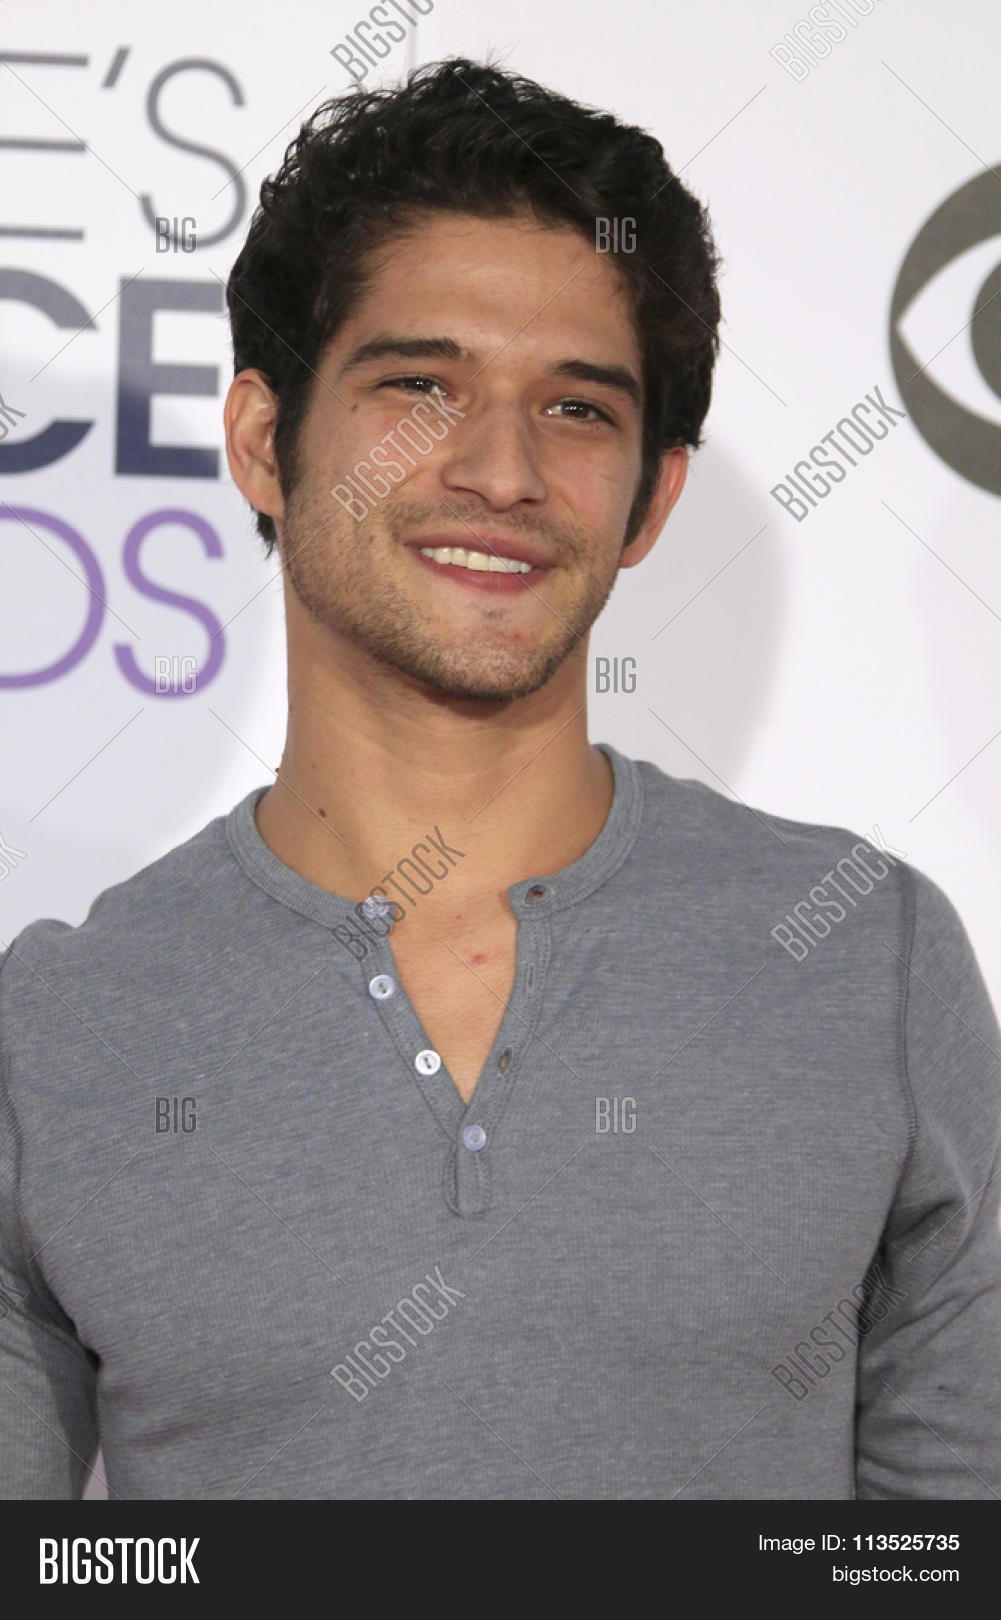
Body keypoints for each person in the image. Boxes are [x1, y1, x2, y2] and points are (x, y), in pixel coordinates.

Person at [2, 56, 999, 1501]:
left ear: (652, 496)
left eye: (579, 409)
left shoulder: (867, 956)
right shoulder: (59, 1034)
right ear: (265, 443)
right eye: (419, 386)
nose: (501, 469)